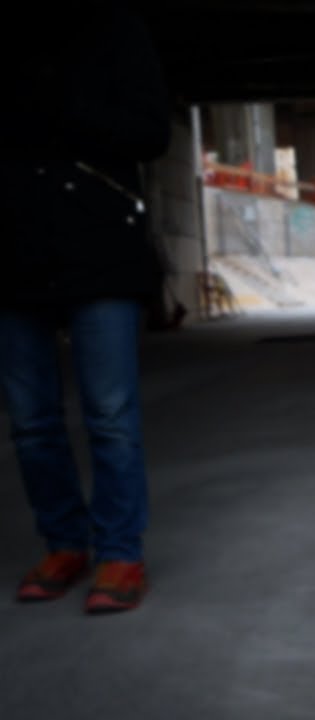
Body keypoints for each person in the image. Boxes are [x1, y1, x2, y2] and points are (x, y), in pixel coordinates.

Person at [1, 1, 171, 613]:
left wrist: (56, 104)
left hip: (99, 248)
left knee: (110, 414)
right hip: (14, 252)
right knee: (31, 420)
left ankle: (120, 552)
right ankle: (64, 543)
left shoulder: (113, 26)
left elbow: (153, 133)